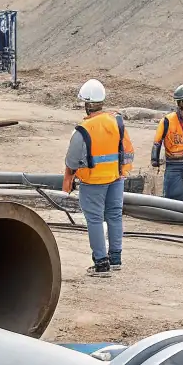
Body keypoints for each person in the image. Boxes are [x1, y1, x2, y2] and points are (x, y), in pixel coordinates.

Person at [62, 79, 134, 277]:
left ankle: (101, 263)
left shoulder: (83, 129)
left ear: (86, 104)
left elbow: (72, 160)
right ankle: (116, 258)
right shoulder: (117, 122)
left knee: (94, 220)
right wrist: (121, 171)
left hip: (92, 182)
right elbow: (127, 151)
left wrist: (68, 179)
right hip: (115, 178)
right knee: (114, 216)